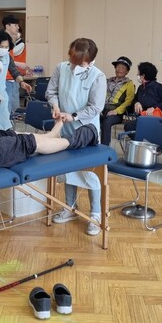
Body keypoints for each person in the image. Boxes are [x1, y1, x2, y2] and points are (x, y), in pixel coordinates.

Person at [46, 38, 106, 236]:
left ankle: (95, 214)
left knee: (90, 173)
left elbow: (95, 107)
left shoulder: (97, 76)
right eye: (73, 60)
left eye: (81, 63)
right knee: (68, 168)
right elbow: (51, 91)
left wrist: (74, 116)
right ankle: (69, 207)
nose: (76, 66)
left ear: (89, 61)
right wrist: (55, 106)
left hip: (86, 130)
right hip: (64, 127)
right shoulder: (61, 68)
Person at [123, 62, 162, 131]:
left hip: (156, 117)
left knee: (131, 127)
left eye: (138, 73)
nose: (137, 74)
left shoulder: (158, 87)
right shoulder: (141, 87)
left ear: (143, 75)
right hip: (143, 116)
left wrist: (154, 108)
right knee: (128, 127)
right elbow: (135, 99)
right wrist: (137, 103)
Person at [100, 56, 135, 145]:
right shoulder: (107, 81)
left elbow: (129, 101)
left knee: (106, 122)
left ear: (127, 71)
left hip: (116, 112)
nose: (120, 70)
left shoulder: (129, 84)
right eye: (118, 67)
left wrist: (116, 111)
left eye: (123, 68)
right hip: (102, 109)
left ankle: (104, 148)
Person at [3, 15, 32, 116]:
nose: (18, 27)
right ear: (7, 26)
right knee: (7, 110)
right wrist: (19, 64)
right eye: (15, 25)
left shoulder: (10, 41)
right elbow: (3, 59)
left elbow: (9, 61)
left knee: (13, 109)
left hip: (13, 78)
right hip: (6, 78)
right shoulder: (3, 40)